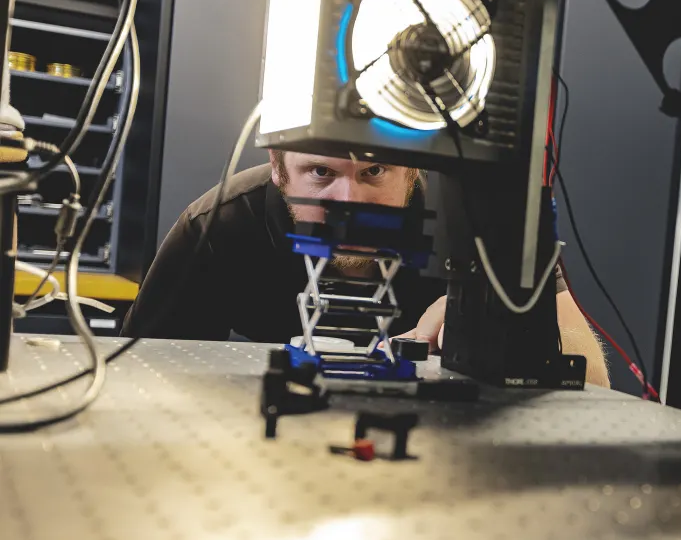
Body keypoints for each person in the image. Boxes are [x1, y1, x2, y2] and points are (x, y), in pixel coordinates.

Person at [123, 150, 610, 386]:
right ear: (277, 167)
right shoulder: (220, 224)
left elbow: (595, 377)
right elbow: (139, 379)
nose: (349, 203)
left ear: (413, 168)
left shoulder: (476, 222)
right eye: (321, 173)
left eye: (374, 171)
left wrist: (491, 319)